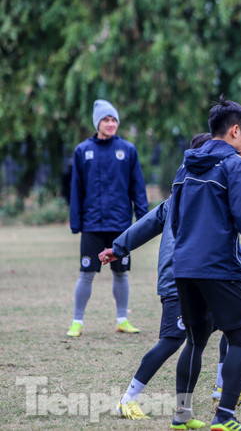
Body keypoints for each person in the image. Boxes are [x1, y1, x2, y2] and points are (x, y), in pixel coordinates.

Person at [98, 134, 241, 424]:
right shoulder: (189, 195)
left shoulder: (197, 192)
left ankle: (221, 389)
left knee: (234, 324)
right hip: (179, 280)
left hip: (206, 278)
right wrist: (118, 248)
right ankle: (127, 400)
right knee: (172, 340)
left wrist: (119, 247)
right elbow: (148, 223)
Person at [169, 96, 241, 431]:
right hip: (218, 266)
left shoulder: (186, 165)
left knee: (195, 340)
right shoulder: (237, 166)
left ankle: (182, 415)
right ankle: (224, 417)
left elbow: (174, 221)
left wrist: (187, 251)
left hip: (184, 265)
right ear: (234, 131)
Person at [66, 99, 148, 337]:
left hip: (120, 224)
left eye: (114, 119)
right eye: (106, 119)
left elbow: (138, 188)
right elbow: (76, 189)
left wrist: (143, 220)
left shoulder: (128, 150)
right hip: (92, 225)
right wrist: (76, 222)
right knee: (86, 273)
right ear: (97, 123)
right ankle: (77, 322)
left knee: (120, 273)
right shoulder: (83, 151)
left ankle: (122, 320)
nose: (111, 124)